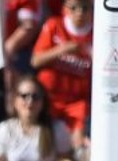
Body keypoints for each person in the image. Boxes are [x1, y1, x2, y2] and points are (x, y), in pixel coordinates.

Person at [30, 0, 92, 145]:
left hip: (77, 102)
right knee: (44, 140)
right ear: (65, 8)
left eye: (85, 8)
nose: (79, 13)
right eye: (74, 8)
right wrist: (61, 50)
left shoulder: (97, 34)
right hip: (50, 98)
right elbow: (35, 61)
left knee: (78, 142)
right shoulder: (54, 25)